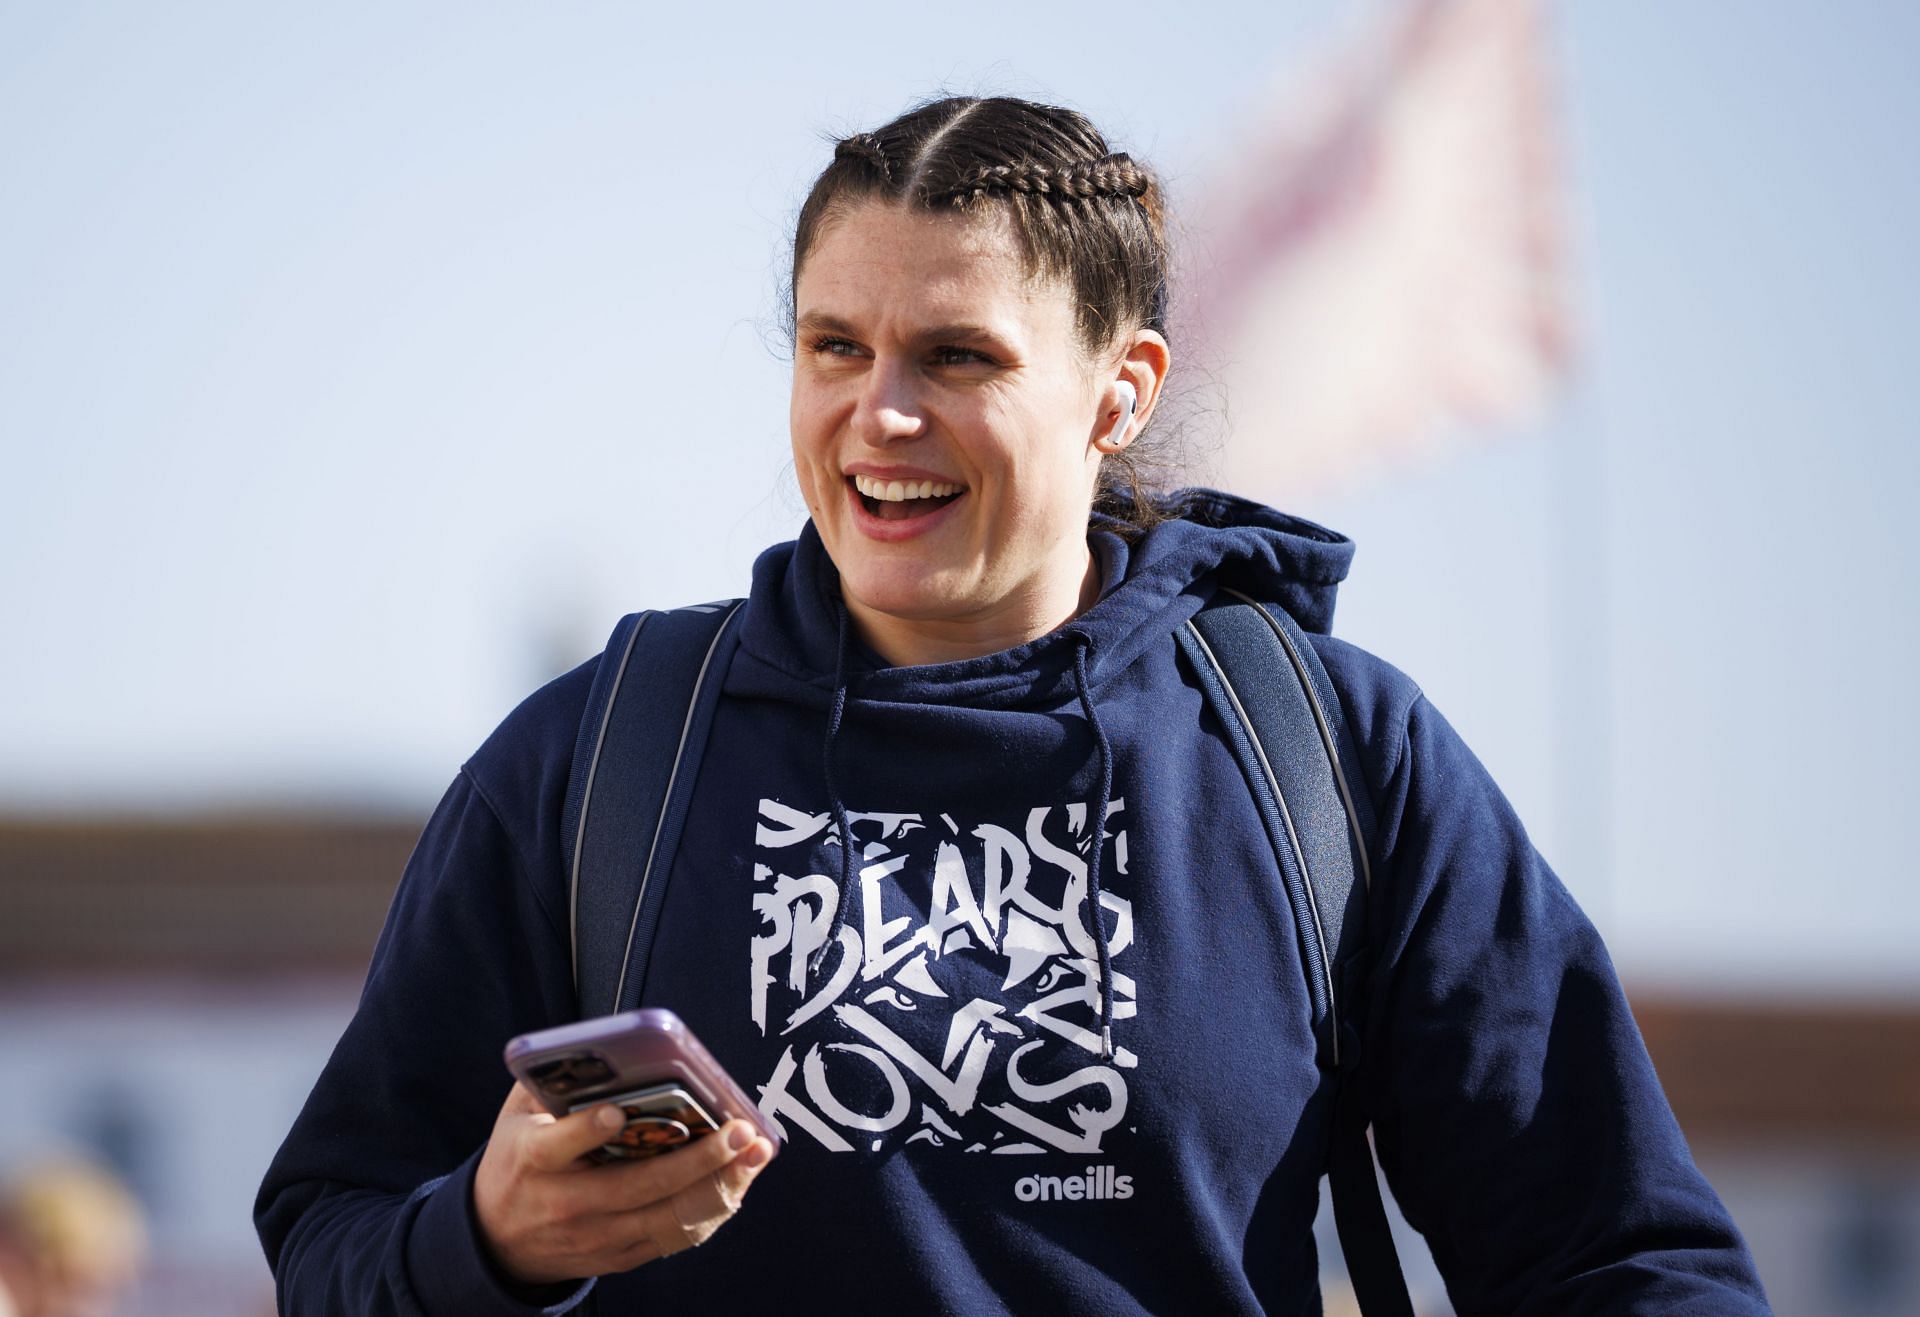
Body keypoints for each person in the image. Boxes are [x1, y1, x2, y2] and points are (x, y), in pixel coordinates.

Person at [255, 95, 1770, 1314]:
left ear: (1121, 391)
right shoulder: (596, 757)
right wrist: (487, 1239)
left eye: (957, 355)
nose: (881, 412)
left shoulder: (1330, 755)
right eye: (833, 345)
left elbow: (1622, 1259)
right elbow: (329, 1237)